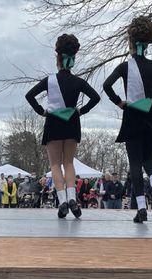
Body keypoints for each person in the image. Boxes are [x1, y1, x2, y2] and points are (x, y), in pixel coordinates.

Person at [103, 16, 152, 223]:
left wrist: (119, 102)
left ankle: (141, 208)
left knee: (135, 163)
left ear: (131, 42)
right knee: (148, 157)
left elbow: (106, 85)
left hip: (132, 115)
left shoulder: (123, 67)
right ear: (146, 45)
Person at [26, 34, 100, 219]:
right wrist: (81, 111)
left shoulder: (49, 81)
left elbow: (29, 95)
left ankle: (63, 201)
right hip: (72, 121)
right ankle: (73, 198)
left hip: (53, 121)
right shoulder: (78, 81)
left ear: (57, 59)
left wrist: (41, 111)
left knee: (55, 164)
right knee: (69, 163)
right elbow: (96, 97)